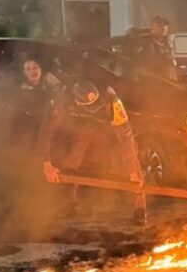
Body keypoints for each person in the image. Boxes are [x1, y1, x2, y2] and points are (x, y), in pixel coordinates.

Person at [35, 57, 148, 226]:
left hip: (105, 126)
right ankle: (69, 204)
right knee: (70, 158)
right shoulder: (61, 100)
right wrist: (46, 163)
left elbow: (126, 138)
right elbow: (46, 132)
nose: (92, 109)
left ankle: (140, 209)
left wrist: (132, 172)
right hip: (79, 124)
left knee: (133, 166)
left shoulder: (112, 101)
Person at [127, 15, 176, 80]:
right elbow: (139, 66)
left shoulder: (167, 45)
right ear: (152, 28)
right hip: (151, 82)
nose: (163, 28)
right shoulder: (145, 43)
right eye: (159, 25)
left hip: (168, 82)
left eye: (165, 25)